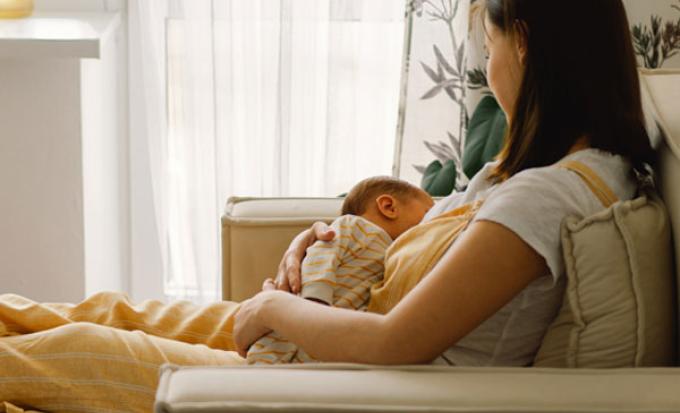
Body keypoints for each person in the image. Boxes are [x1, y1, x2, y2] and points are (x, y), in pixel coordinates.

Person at [0, 0, 656, 411]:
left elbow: (398, 342)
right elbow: (430, 238)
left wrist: (271, 306)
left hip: (339, 375)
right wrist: (325, 237)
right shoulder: (560, 166)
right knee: (108, 309)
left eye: (487, 49)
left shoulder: (544, 202)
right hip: (333, 322)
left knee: (71, 348)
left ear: (526, 44)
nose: (488, 70)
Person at [248, 176, 433, 364]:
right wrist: (313, 301)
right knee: (268, 363)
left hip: (334, 335)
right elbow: (321, 256)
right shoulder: (354, 226)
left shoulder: (394, 251)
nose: (432, 222)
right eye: (428, 213)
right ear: (389, 207)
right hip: (304, 320)